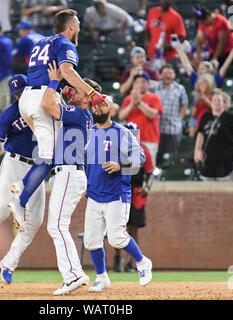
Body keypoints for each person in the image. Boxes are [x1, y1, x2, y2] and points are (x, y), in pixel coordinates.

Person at [7, 9, 107, 233]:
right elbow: (67, 72)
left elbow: (45, 73)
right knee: (49, 156)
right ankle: (20, 198)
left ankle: (21, 190)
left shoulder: (40, 41)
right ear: (70, 26)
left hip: (27, 99)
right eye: (78, 23)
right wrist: (92, 93)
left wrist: (61, 89)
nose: (79, 27)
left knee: (45, 152)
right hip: (44, 96)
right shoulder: (66, 44)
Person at [0, 75, 47, 286]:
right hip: (14, 163)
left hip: (37, 166)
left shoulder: (44, 104)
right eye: (17, 93)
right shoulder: (11, 112)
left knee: (36, 220)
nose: (20, 95)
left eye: (23, 90)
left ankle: (9, 263)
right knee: (2, 212)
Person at [38, 61, 98, 295]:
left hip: (69, 172)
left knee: (57, 226)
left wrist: (54, 81)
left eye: (79, 88)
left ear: (87, 99)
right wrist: (58, 80)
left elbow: (47, 104)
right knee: (57, 226)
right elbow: (57, 103)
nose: (74, 88)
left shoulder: (80, 112)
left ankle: (73, 275)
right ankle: (74, 273)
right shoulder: (80, 113)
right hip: (69, 173)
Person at [84, 97, 152, 293]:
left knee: (117, 238)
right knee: (91, 240)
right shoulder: (89, 133)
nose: (98, 108)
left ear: (111, 109)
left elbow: (140, 156)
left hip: (116, 194)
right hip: (94, 194)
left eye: (102, 104)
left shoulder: (121, 132)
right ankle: (102, 277)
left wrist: (120, 165)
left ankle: (142, 262)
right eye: (95, 105)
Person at [113, 122, 155, 273]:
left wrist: (147, 188)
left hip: (136, 193)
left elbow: (150, 172)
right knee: (117, 228)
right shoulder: (116, 150)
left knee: (133, 229)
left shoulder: (143, 150)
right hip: (118, 190)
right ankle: (117, 260)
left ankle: (132, 262)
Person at [194, 89, 233, 181]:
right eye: (214, 100)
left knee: (227, 190)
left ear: (224, 103)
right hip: (208, 159)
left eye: (219, 100)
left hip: (227, 159)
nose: (216, 103)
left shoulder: (230, 116)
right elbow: (200, 133)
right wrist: (197, 150)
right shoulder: (205, 116)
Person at [119, 71, 163, 167]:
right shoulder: (128, 99)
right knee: (130, 168)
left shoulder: (154, 97)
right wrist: (132, 103)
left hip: (149, 138)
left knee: (149, 169)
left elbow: (152, 114)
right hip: (132, 138)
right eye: (138, 82)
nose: (141, 84)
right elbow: (121, 116)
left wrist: (138, 102)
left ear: (148, 84)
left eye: (144, 82)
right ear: (134, 85)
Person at [150, 64, 188, 164]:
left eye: (170, 73)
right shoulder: (154, 88)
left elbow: (184, 105)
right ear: (160, 75)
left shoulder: (180, 88)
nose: (168, 75)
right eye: (165, 73)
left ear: (174, 75)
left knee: (172, 158)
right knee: (157, 157)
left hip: (174, 128)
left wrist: (180, 119)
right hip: (158, 128)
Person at [145, 0, 186, 69]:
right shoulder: (152, 11)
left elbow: (181, 37)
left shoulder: (176, 17)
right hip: (152, 54)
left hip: (168, 57)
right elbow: (147, 29)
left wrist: (171, 45)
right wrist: (146, 41)